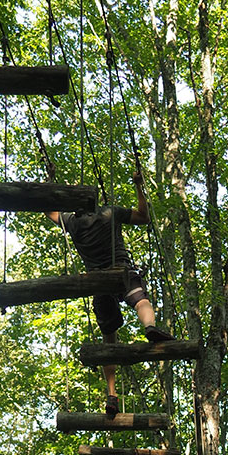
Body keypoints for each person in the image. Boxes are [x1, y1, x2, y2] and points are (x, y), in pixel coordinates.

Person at [48, 170, 173, 417]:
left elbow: (49, 211)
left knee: (109, 340)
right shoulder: (110, 212)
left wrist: (52, 188)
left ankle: (112, 394)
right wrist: (139, 186)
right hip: (122, 272)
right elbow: (144, 217)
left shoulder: (71, 222)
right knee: (141, 301)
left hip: (99, 283)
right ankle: (149, 328)